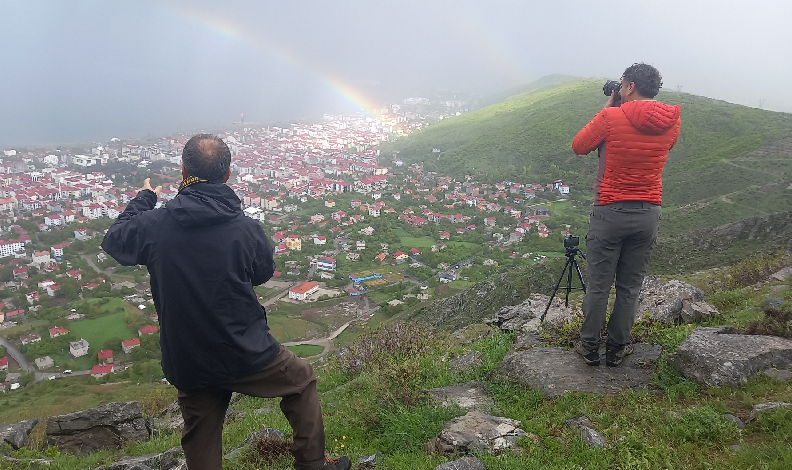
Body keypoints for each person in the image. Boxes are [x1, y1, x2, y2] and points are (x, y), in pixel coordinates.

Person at [101, 134, 351, 470]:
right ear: (228, 174)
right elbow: (262, 274)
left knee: (201, 432)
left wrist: (145, 198)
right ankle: (313, 465)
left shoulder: (155, 226)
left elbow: (114, 240)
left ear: (183, 170)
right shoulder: (246, 230)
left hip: (188, 354)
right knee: (301, 379)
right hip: (244, 347)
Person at [571, 63, 681, 367]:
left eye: (621, 84)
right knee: (630, 286)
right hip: (648, 212)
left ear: (630, 86)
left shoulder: (610, 116)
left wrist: (608, 108)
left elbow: (579, 146)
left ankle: (590, 346)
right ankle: (618, 348)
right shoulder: (672, 121)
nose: (618, 88)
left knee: (599, 285)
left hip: (610, 210)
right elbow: (662, 145)